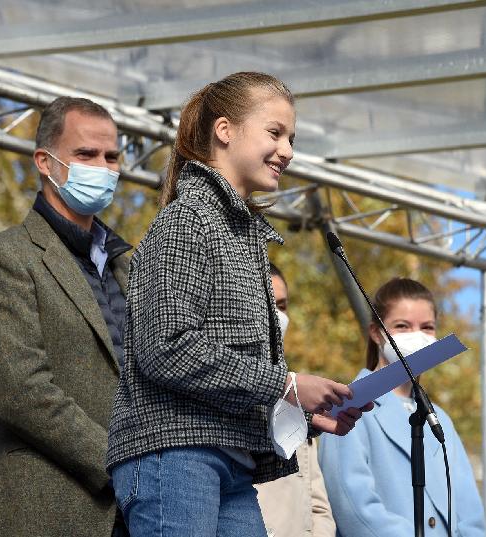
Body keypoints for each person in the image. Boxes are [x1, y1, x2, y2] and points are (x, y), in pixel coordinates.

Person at [106, 72, 369, 537]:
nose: (287, 150)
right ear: (224, 131)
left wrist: (306, 414)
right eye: (275, 133)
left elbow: (230, 375)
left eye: (291, 137)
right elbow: (165, 348)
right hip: (175, 457)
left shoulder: (241, 236)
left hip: (229, 459)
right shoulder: (187, 220)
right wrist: (286, 384)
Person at [0, 97, 130, 536]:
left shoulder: (129, 265)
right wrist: (123, 463)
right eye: (86, 154)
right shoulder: (5, 257)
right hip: (50, 510)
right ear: (45, 161)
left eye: (111, 156)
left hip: (141, 514)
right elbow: (22, 391)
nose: (103, 166)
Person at [319, 277, 486, 537]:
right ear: (376, 333)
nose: (417, 336)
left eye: (427, 327)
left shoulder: (440, 418)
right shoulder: (349, 405)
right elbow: (354, 508)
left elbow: (469, 510)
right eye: (402, 326)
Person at [255, 263, 337, 537]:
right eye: (267, 303)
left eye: (282, 305)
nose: (277, 315)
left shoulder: (300, 393)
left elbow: (318, 505)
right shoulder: (223, 389)